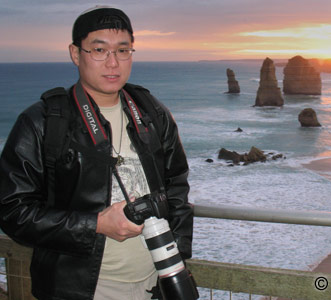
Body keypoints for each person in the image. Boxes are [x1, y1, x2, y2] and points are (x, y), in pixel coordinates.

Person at [0, 6, 193, 300]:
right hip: (81, 289)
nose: (113, 63)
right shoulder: (43, 122)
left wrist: (175, 261)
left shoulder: (151, 113)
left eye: (123, 51)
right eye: (99, 50)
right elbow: (12, 210)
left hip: (155, 282)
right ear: (76, 54)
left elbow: (176, 185)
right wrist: (96, 225)